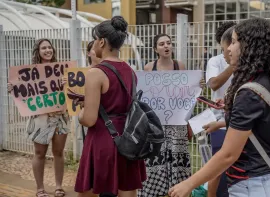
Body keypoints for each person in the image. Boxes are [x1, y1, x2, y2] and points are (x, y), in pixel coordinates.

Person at [169, 17, 270, 197]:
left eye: (234, 42)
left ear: (249, 46)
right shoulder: (267, 82)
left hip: (254, 185)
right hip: (267, 178)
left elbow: (228, 154)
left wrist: (189, 184)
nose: (228, 49)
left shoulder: (249, 94)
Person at [74, 16, 146, 197]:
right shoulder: (130, 70)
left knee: (89, 191)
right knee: (127, 190)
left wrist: (80, 113)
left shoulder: (96, 73)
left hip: (102, 140)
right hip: (129, 139)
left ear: (101, 42)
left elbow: (89, 119)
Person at [138, 33, 204, 197]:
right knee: (155, 155)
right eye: (162, 44)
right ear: (155, 49)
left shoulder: (179, 65)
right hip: (155, 122)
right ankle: (155, 190)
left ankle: (177, 189)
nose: (166, 46)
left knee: (176, 154)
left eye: (168, 43)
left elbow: (184, 92)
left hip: (176, 121)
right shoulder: (148, 67)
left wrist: (196, 86)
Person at [7, 39, 69, 197]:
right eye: (44, 48)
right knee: (40, 153)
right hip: (39, 118)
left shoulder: (62, 70)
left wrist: (67, 83)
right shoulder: (29, 73)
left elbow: (73, 91)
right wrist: (13, 88)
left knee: (59, 152)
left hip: (61, 116)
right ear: (38, 51)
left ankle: (58, 187)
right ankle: (40, 189)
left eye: (49, 47)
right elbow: (23, 92)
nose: (48, 50)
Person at [205, 22, 236, 197]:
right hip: (219, 121)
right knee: (218, 168)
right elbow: (214, 83)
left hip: (238, 121)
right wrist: (233, 64)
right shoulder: (215, 61)